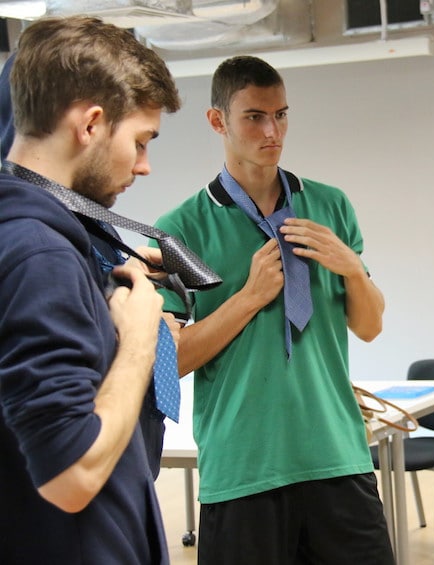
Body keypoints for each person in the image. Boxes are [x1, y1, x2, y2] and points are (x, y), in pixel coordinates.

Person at [153, 55, 395, 564]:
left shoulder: (330, 206)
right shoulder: (182, 228)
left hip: (337, 457)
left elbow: (369, 327)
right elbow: (166, 363)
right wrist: (247, 298)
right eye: (255, 117)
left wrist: (352, 269)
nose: (272, 130)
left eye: (281, 114)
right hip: (243, 470)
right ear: (217, 121)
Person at [0, 15, 182, 564]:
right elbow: (71, 474)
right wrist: (140, 339)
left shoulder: (47, 238)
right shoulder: (40, 256)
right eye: (141, 141)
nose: (145, 166)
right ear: (92, 124)